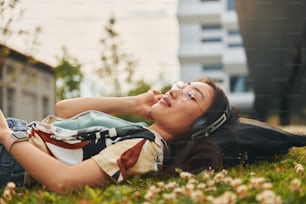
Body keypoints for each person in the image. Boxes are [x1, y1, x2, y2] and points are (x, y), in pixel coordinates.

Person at [0, 78, 305, 193]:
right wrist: (133, 103)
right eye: (183, 85)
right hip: (19, 134)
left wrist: (7, 136)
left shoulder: (145, 148)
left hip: (13, 155)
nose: (177, 90)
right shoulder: (140, 130)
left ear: (199, 128)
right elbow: (64, 109)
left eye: (191, 95)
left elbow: (64, 182)